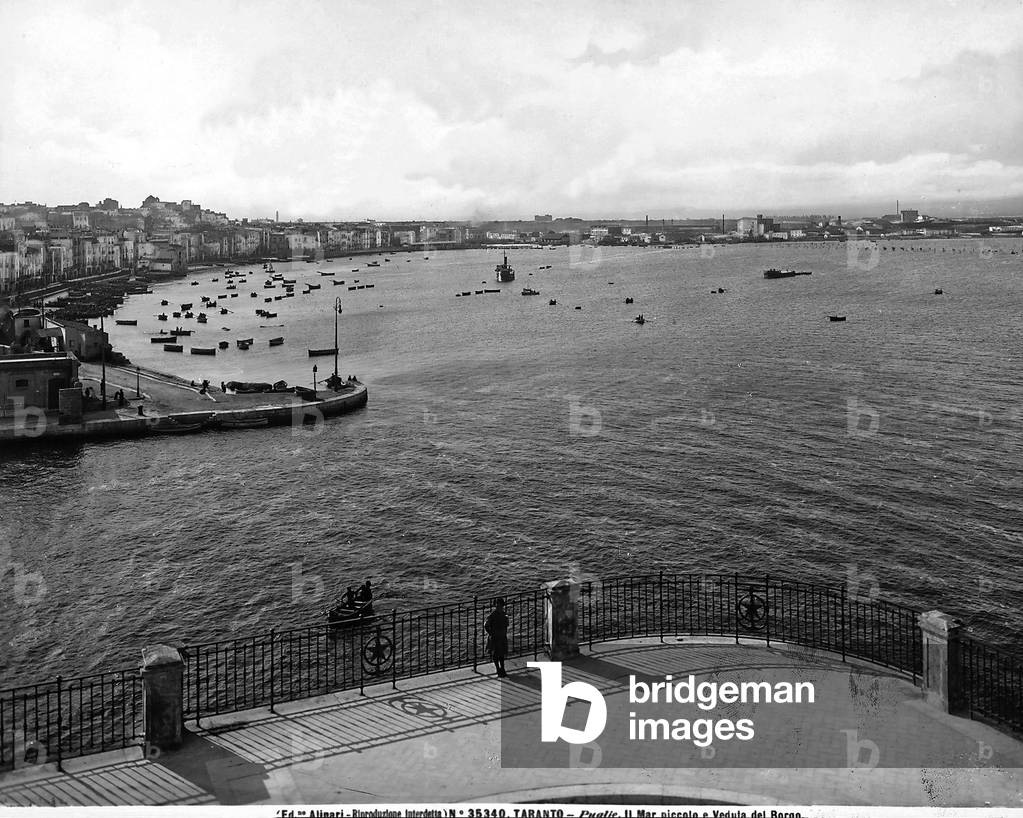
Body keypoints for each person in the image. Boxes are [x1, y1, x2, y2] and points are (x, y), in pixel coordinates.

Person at [484, 597, 509, 677]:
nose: (499, 607)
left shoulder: (503, 614)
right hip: (495, 636)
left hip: (500, 636)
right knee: (495, 654)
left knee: (501, 654)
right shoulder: (493, 615)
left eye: (500, 605)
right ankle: (498, 669)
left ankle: (502, 668)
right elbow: (486, 625)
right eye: (498, 605)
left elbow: (506, 624)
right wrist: (491, 633)